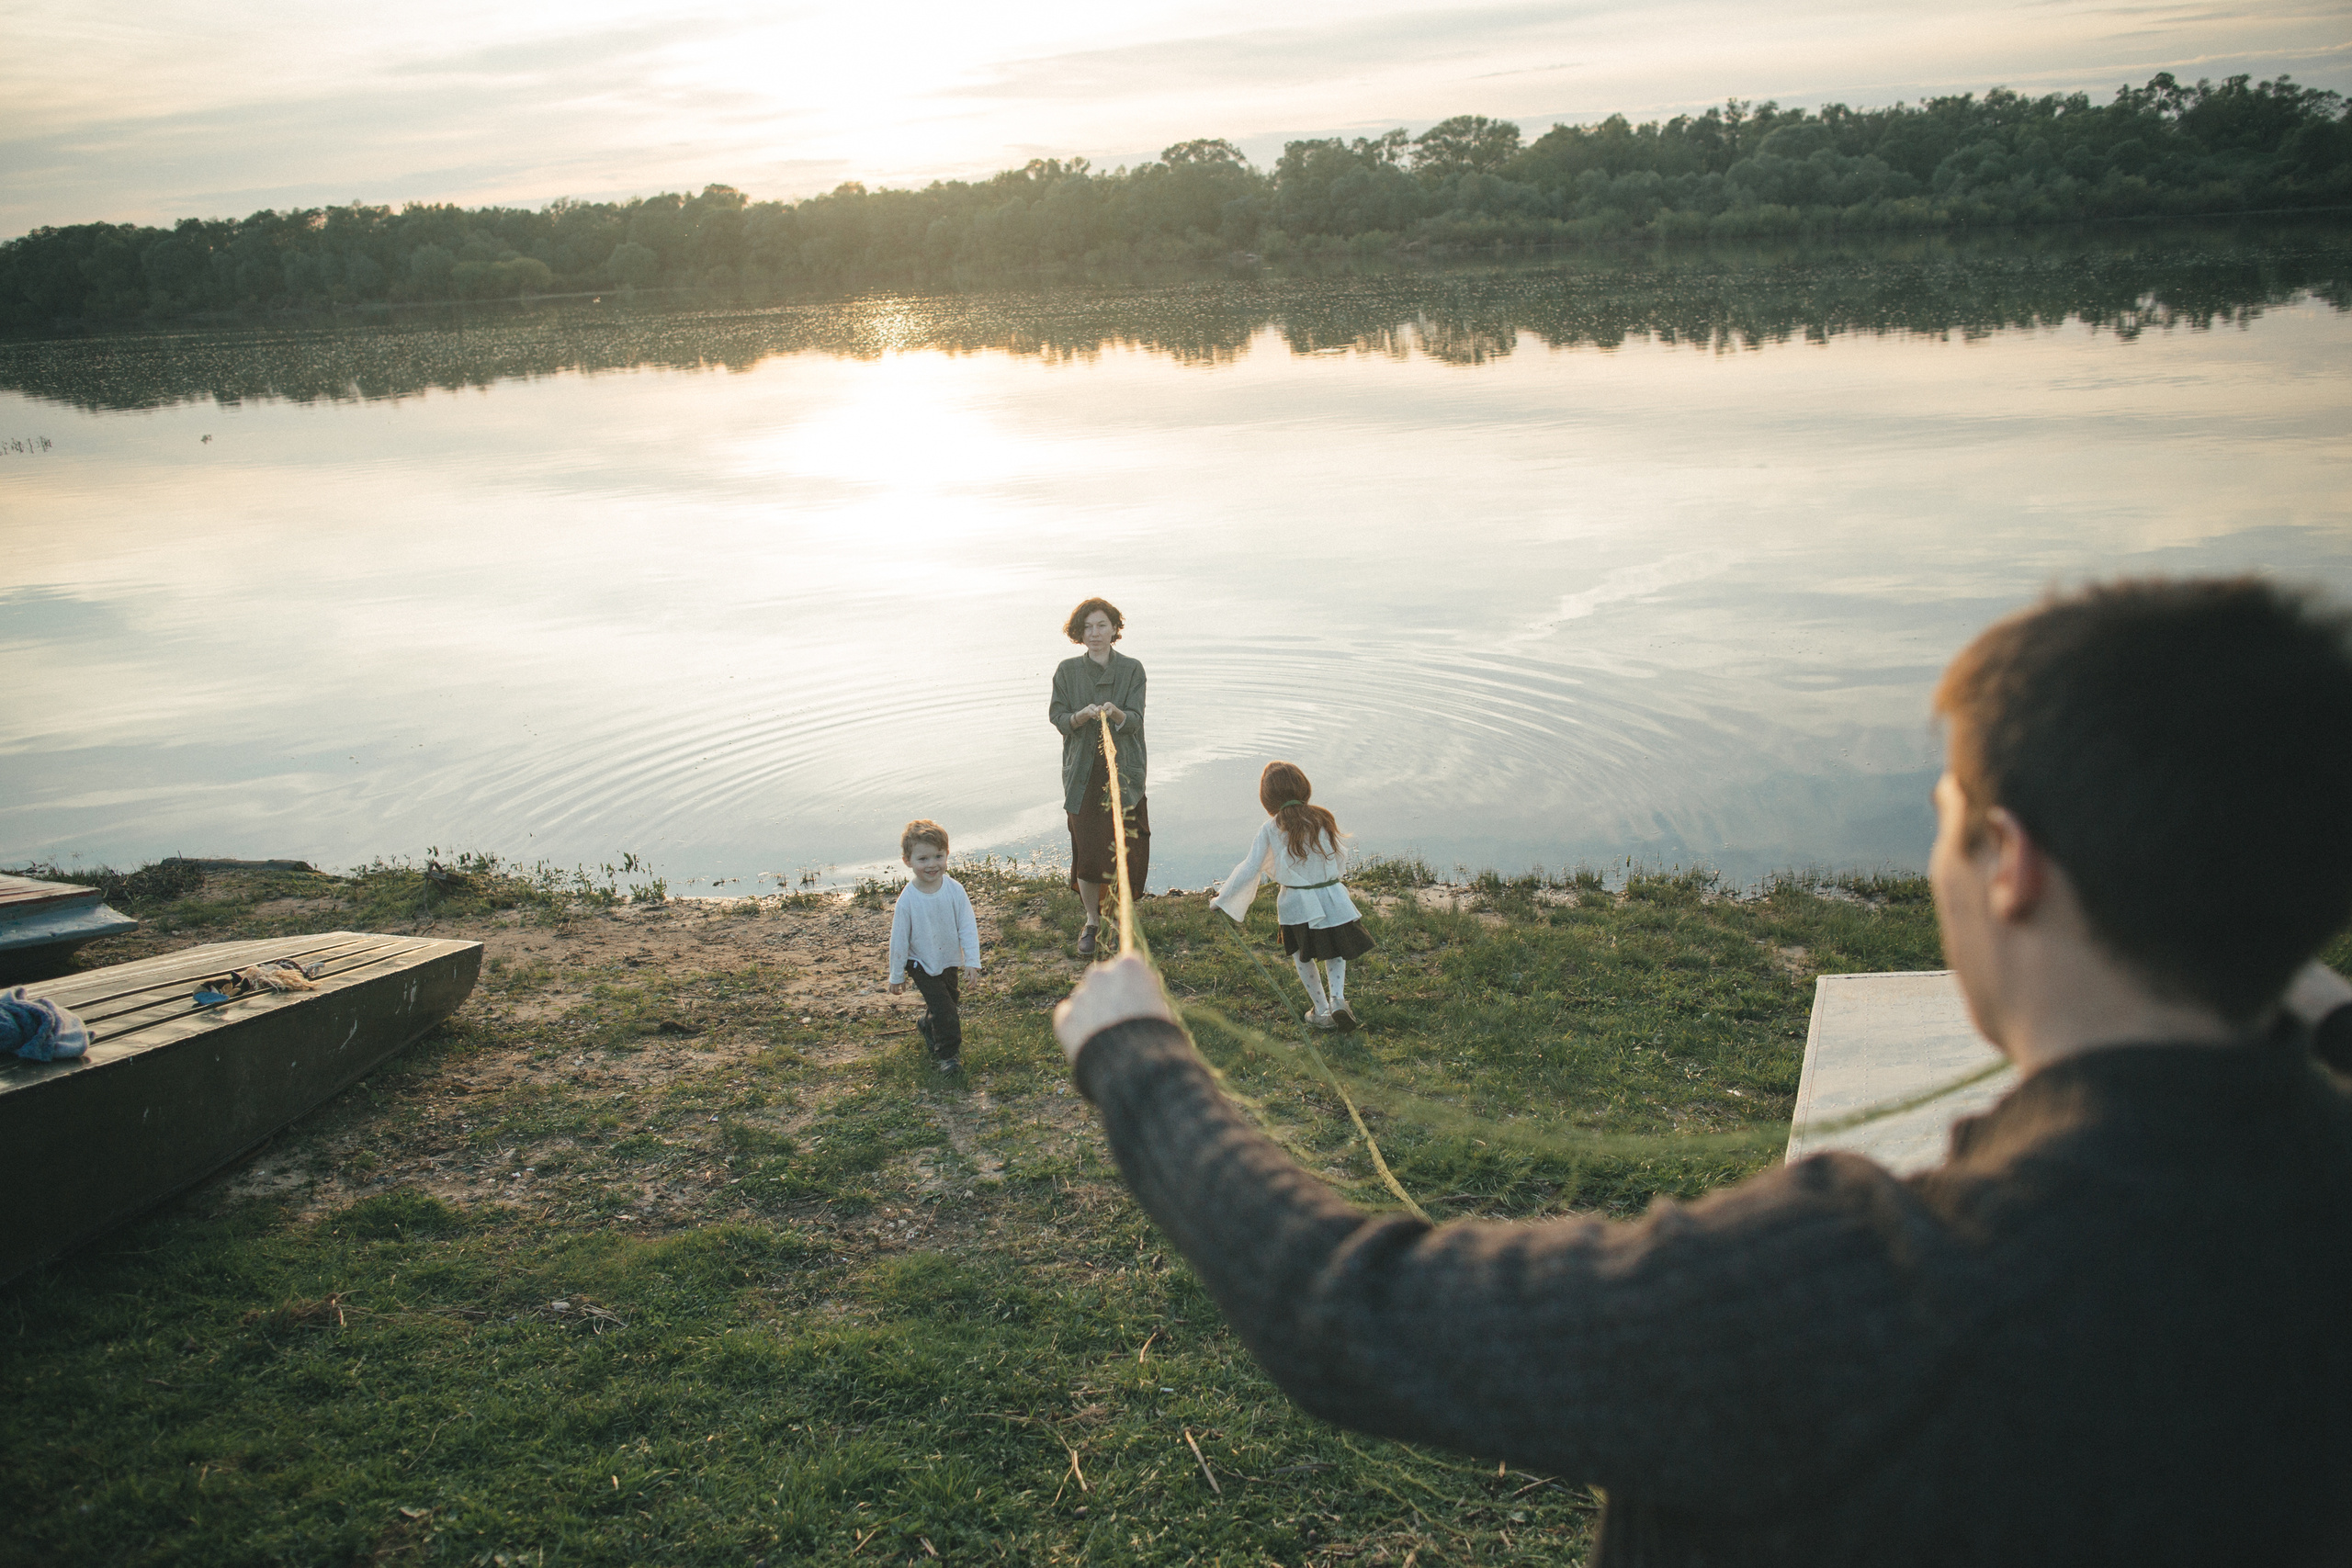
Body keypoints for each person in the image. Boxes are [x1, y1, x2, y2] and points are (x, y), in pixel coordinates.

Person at [1052, 578, 2352, 1564]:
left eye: (1946, 815)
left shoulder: (1847, 1288)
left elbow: (1345, 1317)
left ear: (2007, 864)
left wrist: (1138, 1057)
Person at [1213, 761, 1377, 1031]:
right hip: (1333, 897)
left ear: (1267, 799)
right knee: (1334, 951)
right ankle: (1338, 1000)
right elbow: (1340, 856)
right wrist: (1332, 880)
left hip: (1297, 905)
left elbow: (1250, 867)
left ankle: (1322, 1011)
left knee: (1303, 955)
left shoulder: (1271, 827)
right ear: (1303, 788)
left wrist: (1222, 899)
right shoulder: (1323, 817)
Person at [1049, 596, 1148, 957]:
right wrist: (1078, 717)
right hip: (1082, 776)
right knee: (1088, 853)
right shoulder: (1067, 671)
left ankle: (1122, 921)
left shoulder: (1133, 669)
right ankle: (1092, 921)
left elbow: (1136, 719)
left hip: (1126, 775)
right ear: (1079, 632)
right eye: (1087, 627)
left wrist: (1118, 713)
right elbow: (1058, 718)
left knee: (1129, 850)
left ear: (1114, 629)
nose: (1095, 633)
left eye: (1102, 625)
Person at [886, 819, 981, 1073]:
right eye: (923, 859)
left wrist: (972, 960)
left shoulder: (955, 891)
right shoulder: (908, 900)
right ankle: (948, 1056)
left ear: (947, 854)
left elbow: (967, 927)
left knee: (950, 999)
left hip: (949, 959)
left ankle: (927, 1025)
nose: (931, 865)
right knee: (945, 1010)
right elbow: (899, 939)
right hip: (919, 962)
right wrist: (897, 975)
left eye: (938, 856)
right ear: (907, 861)